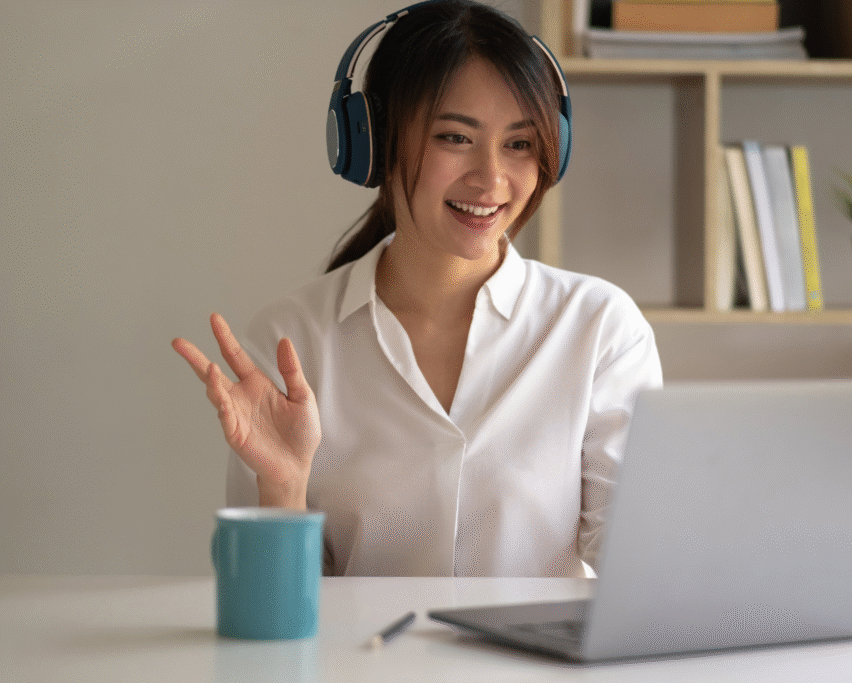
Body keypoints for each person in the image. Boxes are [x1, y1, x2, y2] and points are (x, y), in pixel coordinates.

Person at [172, 0, 662, 577]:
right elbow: (275, 625)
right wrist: (283, 490)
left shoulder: (599, 327)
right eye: (455, 137)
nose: (491, 178)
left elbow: (643, 572)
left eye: (519, 144)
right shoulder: (290, 341)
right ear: (373, 140)